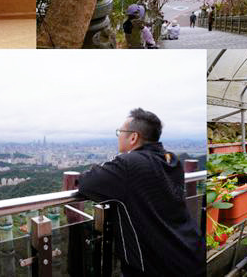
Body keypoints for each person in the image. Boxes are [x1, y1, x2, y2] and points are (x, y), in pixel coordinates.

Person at [77, 109, 206, 277]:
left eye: (120, 132)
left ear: (133, 137)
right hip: (191, 254)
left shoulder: (129, 164)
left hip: (155, 268)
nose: (118, 136)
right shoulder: (171, 160)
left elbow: (86, 184)